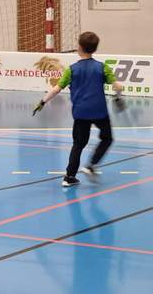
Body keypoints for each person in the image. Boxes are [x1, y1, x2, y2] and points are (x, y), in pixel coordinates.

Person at [33, 31, 124, 187]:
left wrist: (42, 101)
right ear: (95, 49)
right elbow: (118, 86)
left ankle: (69, 177)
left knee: (78, 144)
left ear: (79, 47)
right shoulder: (102, 67)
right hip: (99, 111)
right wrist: (118, 96)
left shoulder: (71, 69)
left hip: (81, 112)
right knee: (107, 138)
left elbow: (56, 89)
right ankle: (91, 165)